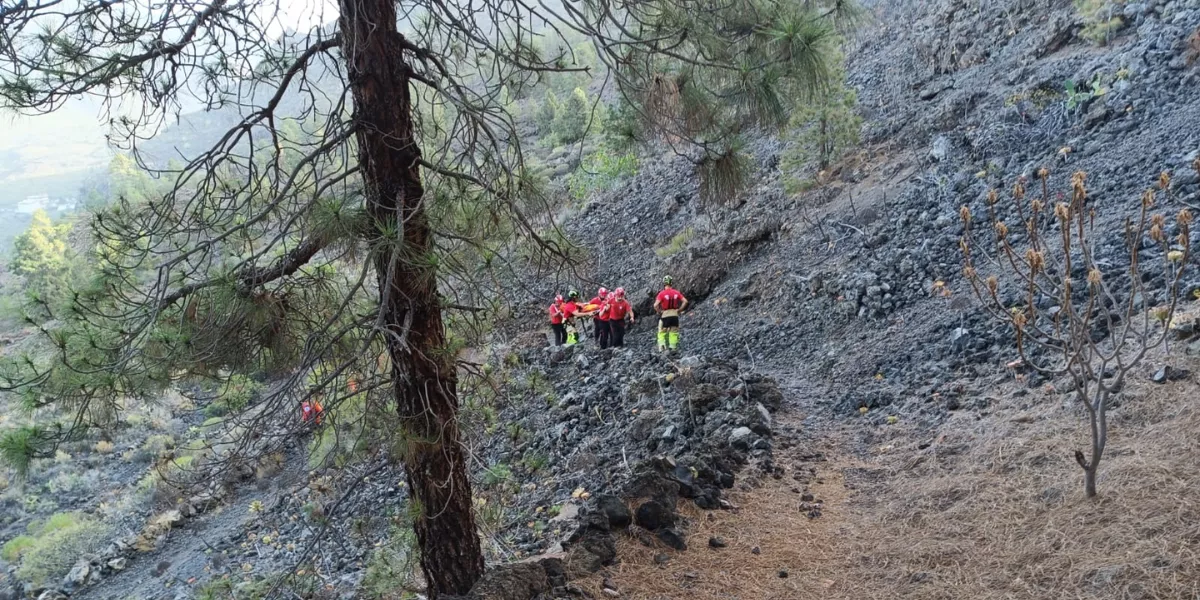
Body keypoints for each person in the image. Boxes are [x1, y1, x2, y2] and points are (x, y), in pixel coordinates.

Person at [653, 275, 688, 352]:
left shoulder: (661, 294)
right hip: (674, 315)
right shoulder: (676, 292)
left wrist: (659, 311)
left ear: (664, 283)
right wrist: (679, 310)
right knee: (673, 332)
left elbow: (655, 305)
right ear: (671, 283)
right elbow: (685, 301)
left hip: (665, 314)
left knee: (661, 331)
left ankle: (662, 347)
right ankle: (673, 348)